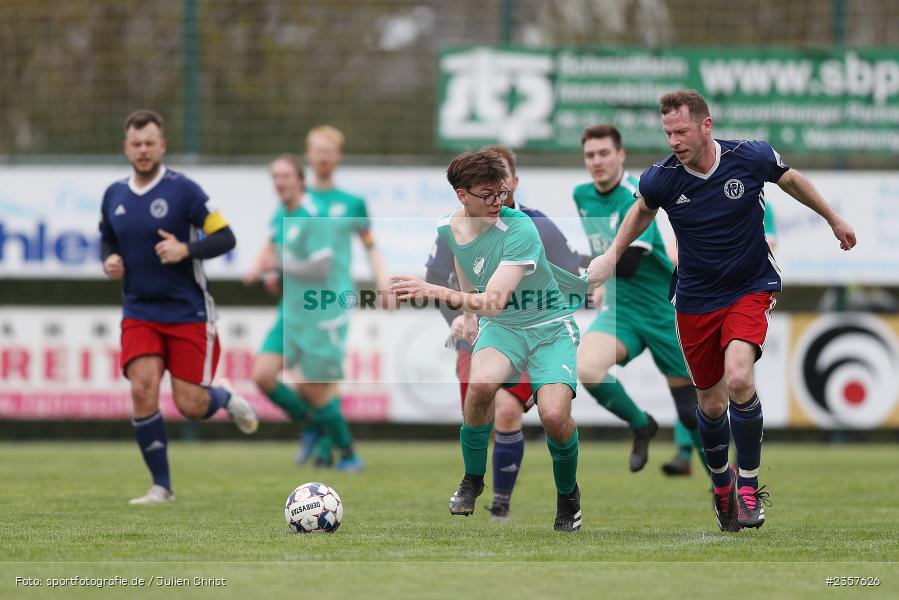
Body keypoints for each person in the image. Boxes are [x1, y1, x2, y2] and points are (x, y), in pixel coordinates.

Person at [587, 90, 856, 531]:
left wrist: (833, 219)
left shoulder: (748, 157)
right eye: (668, 132)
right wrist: (612, 255)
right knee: (710, 406)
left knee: (738, 377)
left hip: (750, 287)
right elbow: (641, 211)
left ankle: (748, 487)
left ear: (705, 125)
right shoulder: (662, 177)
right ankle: (721, 484)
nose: (673, 140)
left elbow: (790, 179)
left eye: (681, 131)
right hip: (694, 299)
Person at [392, 151, 588, 532]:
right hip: (505, 328)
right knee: (480, 385)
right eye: (489, 195)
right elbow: (466, 266)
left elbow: (493, 302)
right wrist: (467, 318)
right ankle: (472, 480)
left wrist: (432, 291)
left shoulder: (521, 229)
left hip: (549, 325)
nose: (500, 202)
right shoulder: (450, 227)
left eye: (502, 193)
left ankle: (568, 496)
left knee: (554, 417)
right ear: (462, 196)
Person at [99, 109, 258, 505]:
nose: (142, 150)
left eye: (149, 143)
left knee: (190, 405)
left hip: (189, 312)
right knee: (142, 389)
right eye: (135, 144)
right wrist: (109, 261)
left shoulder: (185, 190)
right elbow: (107, 240)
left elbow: (226, 238)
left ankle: (222, 397)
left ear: (162, 145)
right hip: (139, 310)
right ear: (126, 147)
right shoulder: (114, 195)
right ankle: (161, 487)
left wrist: (185, 248)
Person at [574, 124, 704, 474]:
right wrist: (598, 280)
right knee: (586, 368)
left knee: (691, 411)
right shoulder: (581, 195)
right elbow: (604, 254)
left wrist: (582, 272)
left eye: (604, 153)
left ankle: (723, 488)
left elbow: (628, 262)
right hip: (622, 313)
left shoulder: (636, 193)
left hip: (665, 312)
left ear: (621, 155)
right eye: (590, 155)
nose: (597, 161)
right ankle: (640, 423)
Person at [245, 153, 365, 472]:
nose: (280, 182)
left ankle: (348, 453)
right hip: (291, 312)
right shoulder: (280, 214)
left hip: (319, 313)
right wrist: (271, 274)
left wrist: (281, 266)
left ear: (300, 180)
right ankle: (310, 424)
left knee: (315, 387)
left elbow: (321, 266)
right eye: (275, 177)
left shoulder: (315, 214)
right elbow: (276, 249)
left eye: (286, 176)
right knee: (262, 374)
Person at [662, 202, 777, 476]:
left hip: (741, 296)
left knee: (739, 377)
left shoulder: (758, 200)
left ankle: (743, 463)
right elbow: (672, 250)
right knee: (706, 394)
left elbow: (768, 243)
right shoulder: (686, 192)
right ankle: (689, 455)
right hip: (700, 301)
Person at [300, 125, 390, 466]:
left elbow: (370, 246)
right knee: (302, 376)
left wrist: (382, 281)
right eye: (317, 150)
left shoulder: (351, 202)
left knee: (325, 372)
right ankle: (318, 429)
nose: (323, 157)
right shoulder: (296, 199)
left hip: (334, 298)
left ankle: (331, 449)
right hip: (298, 301)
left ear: (337, 157)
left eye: (329, 151)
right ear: (308, 155)